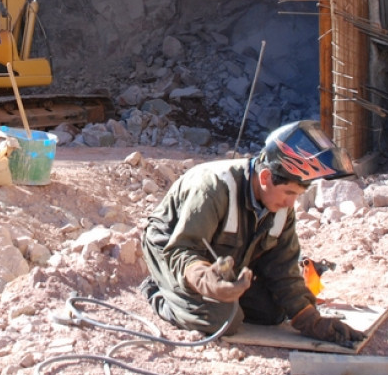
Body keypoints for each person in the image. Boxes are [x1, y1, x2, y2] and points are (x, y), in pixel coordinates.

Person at [140, 120, 365, 345]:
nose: (290, 202)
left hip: (219, 254)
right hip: (170, 247)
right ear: (266, 177)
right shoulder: (213, 188)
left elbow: (282, 267)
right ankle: (157, 291)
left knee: (275, 312)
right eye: (288, 192)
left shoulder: (280, 205)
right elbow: (183, 250)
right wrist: (205, 279)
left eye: (297, 194)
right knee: (224, 320)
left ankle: (212, 295)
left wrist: (311, 320)